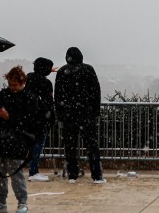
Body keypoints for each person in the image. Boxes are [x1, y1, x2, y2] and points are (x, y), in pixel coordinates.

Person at [0, 66, 41, 213]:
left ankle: (22, 202)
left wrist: (9, 117)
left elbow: (30, 121)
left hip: (17, 141)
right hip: (1, 140)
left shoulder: (30, 98)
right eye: (10, 84)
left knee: (16, 173)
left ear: (22, 83)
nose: (12, 88)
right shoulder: (4, 95)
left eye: (14, 85)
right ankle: (0, 202)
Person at [54, 47, 105, 184]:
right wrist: (95, 111)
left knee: (70, 146)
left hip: (69, 115)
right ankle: (97, 175)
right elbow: (96, 91)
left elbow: (57, 95)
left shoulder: (62, 72)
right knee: (92, 145)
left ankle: (72, 174)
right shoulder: (88, 70)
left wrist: (61, 114)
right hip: (86, 114)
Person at [24, 57, 56, 182]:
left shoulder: (29, 78)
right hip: (40, 119)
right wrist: (50, 118)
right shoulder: (46, 83)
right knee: (38, 144)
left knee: (30, 144)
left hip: (28, 118)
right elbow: (49, 102)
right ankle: (33, 171)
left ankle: (29, 169)